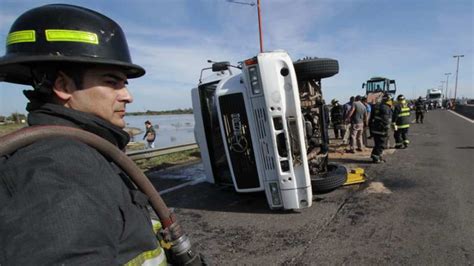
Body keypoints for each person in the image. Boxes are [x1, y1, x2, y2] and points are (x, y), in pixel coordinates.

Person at [0, 4, 167, 265]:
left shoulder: (83, 152)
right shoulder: (60, 167)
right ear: (63, 86)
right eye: (112, 82)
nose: (128, 96)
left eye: (125, 84)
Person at [369, 94, 393, 163]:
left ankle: (377, 156)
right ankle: (376, 158)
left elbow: (371, 118)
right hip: (381, 129)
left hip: (375, 129)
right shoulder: (385, 107)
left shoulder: (377, 106)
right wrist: (387, 127)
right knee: (381, 144)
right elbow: (385, 120)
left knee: (377, 144)